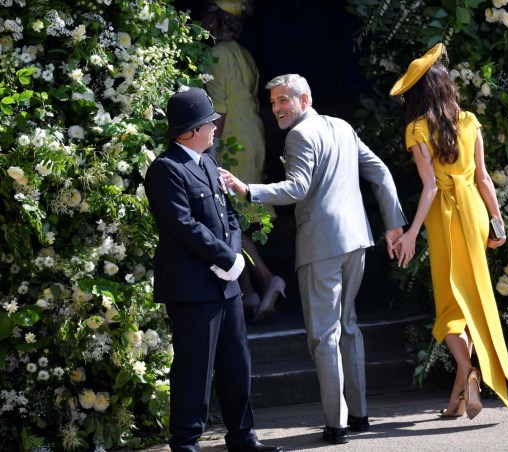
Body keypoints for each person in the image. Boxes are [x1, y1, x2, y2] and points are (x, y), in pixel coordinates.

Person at [220, 74, 407, 445]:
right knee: (348, 327)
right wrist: (393, 225)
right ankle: (359, 415)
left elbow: (297, 188)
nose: (276, 109)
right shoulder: (341, 126)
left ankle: (335, 425)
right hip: (356, 239)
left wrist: (247, 190)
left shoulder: (300, 134)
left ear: (304, 99)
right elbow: (381, 172)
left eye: (283, 101)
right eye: (272, 102)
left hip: (322, 245)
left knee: (324, 336)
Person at [144, 86, 282, 452]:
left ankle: (242, 437)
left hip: (226, 284)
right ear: (189, 131)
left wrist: (234, 259)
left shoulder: (206, 162)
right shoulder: (165, 169)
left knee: (237, 364)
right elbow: (182, 225)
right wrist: (225, 259)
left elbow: (229, 217)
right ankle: (186, 444)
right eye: (208, 124)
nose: (214, 129)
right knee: (194, 370)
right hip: (192, 287)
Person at [388, 43, 508, 419]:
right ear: (445, 85)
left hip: (444, 216)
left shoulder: (417, 128)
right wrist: (497, 221)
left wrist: (410, 233)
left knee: (447, 308)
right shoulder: (469, 120)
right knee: (471, 298)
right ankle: (456, 401)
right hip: (474, 211)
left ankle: (472, 371)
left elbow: (429, 187)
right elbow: (484, 178)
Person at [199, 0, 285, 322]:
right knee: (237, 218)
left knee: (230, 218)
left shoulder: (217, 55)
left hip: (232, 138)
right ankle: (248, 295)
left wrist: (211, 148)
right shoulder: (244, 54)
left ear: (214, 19)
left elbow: (218, 107)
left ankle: (266, 278)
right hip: (252, 137)